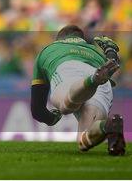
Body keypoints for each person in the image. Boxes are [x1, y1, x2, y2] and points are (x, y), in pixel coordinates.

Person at [30, 25, 126, 156]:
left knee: (65, 107)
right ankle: (108, 126)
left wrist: (53, 118)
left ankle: (93, 80)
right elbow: (113, 63)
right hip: (100, 79)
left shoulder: (48, 50)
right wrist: (110, 51)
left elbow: (37, 110)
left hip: (67, 69)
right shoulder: (95, 51)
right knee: (84, 139)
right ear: (82, 40)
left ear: (59, 39)